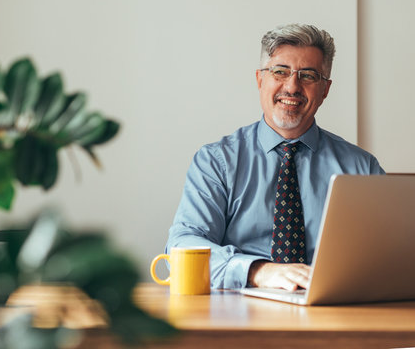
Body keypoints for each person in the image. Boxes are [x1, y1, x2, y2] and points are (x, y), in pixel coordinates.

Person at [165, 24, 384, 290]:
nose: (292, 87)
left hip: (332, 313)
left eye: (309, 76)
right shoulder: (216, 162)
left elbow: (389, 252)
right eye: (280, 72)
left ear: (325, 90)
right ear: (260, 79)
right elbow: (182, 245)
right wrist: (257, 271)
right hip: (238, 313)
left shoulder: (362, 167)